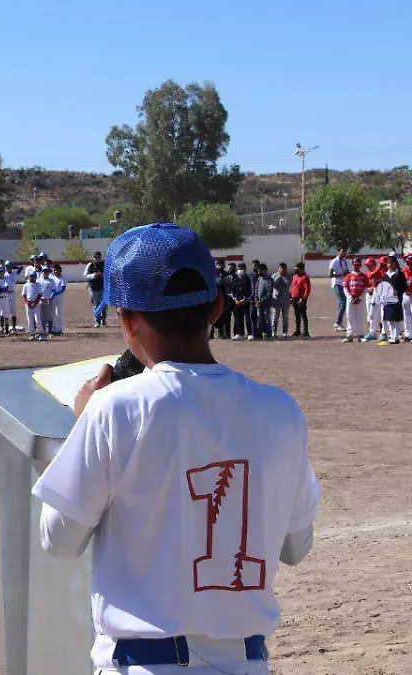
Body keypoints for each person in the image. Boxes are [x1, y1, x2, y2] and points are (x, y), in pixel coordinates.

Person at [32, 222, 319, 675]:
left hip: (145, 665)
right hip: (244, 663)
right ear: (218, 307)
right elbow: (296, 546)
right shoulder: (280, 410)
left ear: (127, 320)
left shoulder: (113, 408)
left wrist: (84, 421)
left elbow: (58, 540)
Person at [379, 257, 407, 345]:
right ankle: (392, 335)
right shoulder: (386, 275)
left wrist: (397, 292)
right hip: (388, 299)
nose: (389, 265)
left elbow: (404, 286)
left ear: (396, 263)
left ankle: (396, 336)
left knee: (396, 318)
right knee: (389, 318)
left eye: (391, 263)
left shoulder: (400, 274)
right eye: (388, 263)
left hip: (397, 299)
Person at [343, 259, 369, 343]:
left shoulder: (364, 276)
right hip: (350, 299)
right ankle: (349, 335)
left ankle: (360, 335)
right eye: (355, 265)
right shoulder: (349, 276)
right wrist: (350, 298)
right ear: (352, 265)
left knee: (359, 317)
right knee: (349, 316)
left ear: (360, 265)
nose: (356, 266)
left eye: (358, 265)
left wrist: (360, 298)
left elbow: (365, 288)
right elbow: (345, 288)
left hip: (360, 300)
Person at [328, 247, 350, 331]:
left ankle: (338, 323)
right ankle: (338, 323)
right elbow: (330, 275)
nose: (343, 254)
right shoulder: (334, 261)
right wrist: (341, 274)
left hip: (343, 284)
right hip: (336, 284)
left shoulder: (345, 261)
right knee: (343, 302)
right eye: (342, 252)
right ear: (338, 252)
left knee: (342, 303)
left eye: (344, 252)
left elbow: (347, 272)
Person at [363, 257, 385, 341]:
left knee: (381, 315)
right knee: (371, 314)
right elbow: (370, 277)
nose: (368, 267)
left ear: (374, 265)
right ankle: (372, 332)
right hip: (372, 295)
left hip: (382, 294)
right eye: (367, 265)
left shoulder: (382, 272)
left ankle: (383, 332)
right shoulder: (371, 273)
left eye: (370, 265)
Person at [22, 269, 47, 341]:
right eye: (31, 276)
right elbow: (24, 295)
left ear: (36, 277)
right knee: (30, 320)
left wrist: (35, 303)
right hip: (28, 304)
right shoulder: (26, 285)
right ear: (29, 277)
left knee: (37, 319)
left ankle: (41, 333)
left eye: (33, 276)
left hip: (36, 304)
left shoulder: (38, 285)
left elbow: (39, 295)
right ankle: (32, 334)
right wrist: (27, 302)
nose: (32, 278)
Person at [252, 263, 274, 341]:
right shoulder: (259, 279)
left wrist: (261, 301)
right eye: (258, 271)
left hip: (266, 304)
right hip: (258, 303)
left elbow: (269, 292)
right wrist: (256, 300)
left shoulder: (269, 279)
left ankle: (268, 333)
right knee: (260, 319)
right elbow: (256, 289)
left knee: (267, 319)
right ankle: (261, 332)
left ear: (265, 270)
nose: (258, 272)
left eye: (260, 271)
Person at [289, 262, 311, 339]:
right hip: (294, 297)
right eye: (295, 269)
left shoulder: (305, 277)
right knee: (297, 315)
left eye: (297, 269)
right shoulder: (295, 276)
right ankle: (297, 330)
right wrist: (290, 297)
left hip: (301, 298)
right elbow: (292, 286)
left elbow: (307, 289)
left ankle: (306, 331)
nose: (296, 271)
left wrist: (303, 298)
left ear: (302, 269)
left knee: (303, 315)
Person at [229, 263, 251, 341]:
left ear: (245, 269)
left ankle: (250, 334)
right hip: (237, 302)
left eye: (242, 268)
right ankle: (240, 334)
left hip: (245, 302)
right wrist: (235, 299)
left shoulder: (248, 279)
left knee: (248, 318)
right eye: (239, 269)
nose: (240, 270)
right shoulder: (235, 279)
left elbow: (250, 291)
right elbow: (232, 290)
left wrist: (244, 299)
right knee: (238, 318)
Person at [85, 251, 106, 327]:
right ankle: (97, 321)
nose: (97, 258)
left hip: (103, 287)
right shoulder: (90, 265)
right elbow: (85, 275)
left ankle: (103, 319)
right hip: (93, 287)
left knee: (104, 304)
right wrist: (94, 275)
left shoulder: (104, 264)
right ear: (93, 257)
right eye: (95, 257)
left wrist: (103, 275)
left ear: (101, 257)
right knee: (96, 304)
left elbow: (109, 274)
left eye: (98, 257)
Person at [270, 263, 292, 338]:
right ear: (278, 268)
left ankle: (285, 332)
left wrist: (283, 277)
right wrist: (279, 276)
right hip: (276, 299)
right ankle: (274, 331)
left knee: (285, 317)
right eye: (281, 268)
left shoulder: (288, 276)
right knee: (275, 316)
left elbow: (288, 284)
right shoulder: (274, 275)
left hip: (286, 299)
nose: (283, 270)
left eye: (284, 269)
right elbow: (274, 284)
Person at [50, 263, 67, 335]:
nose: (55, 272)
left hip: (59, 297)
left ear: (60, 270)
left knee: (58, 313)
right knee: (52, 313)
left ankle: (59, 329)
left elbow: (63, 288)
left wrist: (55, 293)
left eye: (56, 270)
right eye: (53, 270)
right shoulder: (51, 278)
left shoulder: (63, 278)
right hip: (52, 297)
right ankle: (54, 329)